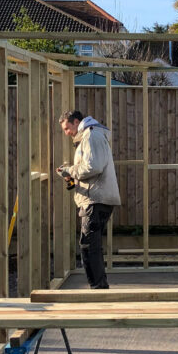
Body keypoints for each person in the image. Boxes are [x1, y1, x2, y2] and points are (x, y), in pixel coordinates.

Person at [58, 111, 120, 289]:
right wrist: (71, 175)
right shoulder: (90, 136)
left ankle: (98, 288)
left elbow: (93, 167)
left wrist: (70, 170)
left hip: (96, 199)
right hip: (95, 198)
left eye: (67, 128)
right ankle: (98, 286)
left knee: (88, 245)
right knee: (90, 245)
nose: (67, 132)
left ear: (76, 122)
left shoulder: (92, 135)